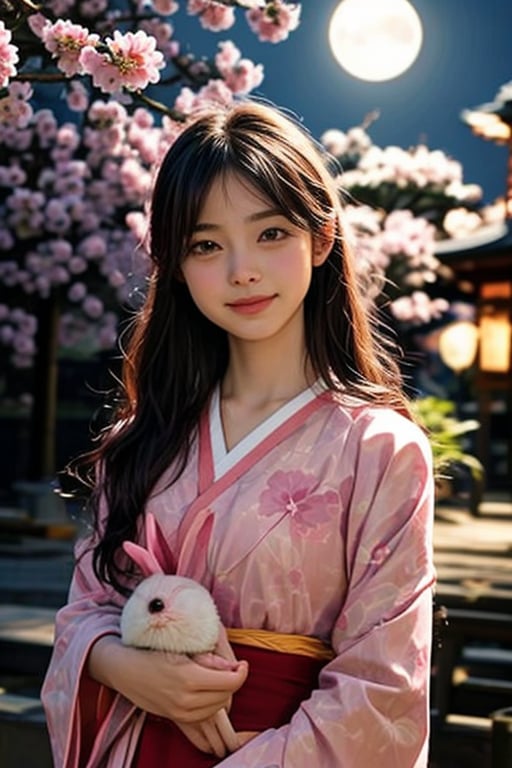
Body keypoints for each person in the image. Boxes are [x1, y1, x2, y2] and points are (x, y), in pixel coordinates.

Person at [41, 100, 436, 768]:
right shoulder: (145, 439)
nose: (240, 270)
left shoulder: (379, 450)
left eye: (271, 233)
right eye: (206, 245)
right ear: (177, 263)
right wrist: (113, 662)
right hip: (135, 744)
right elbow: (86, 609)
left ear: (320, 238)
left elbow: (386, 681)